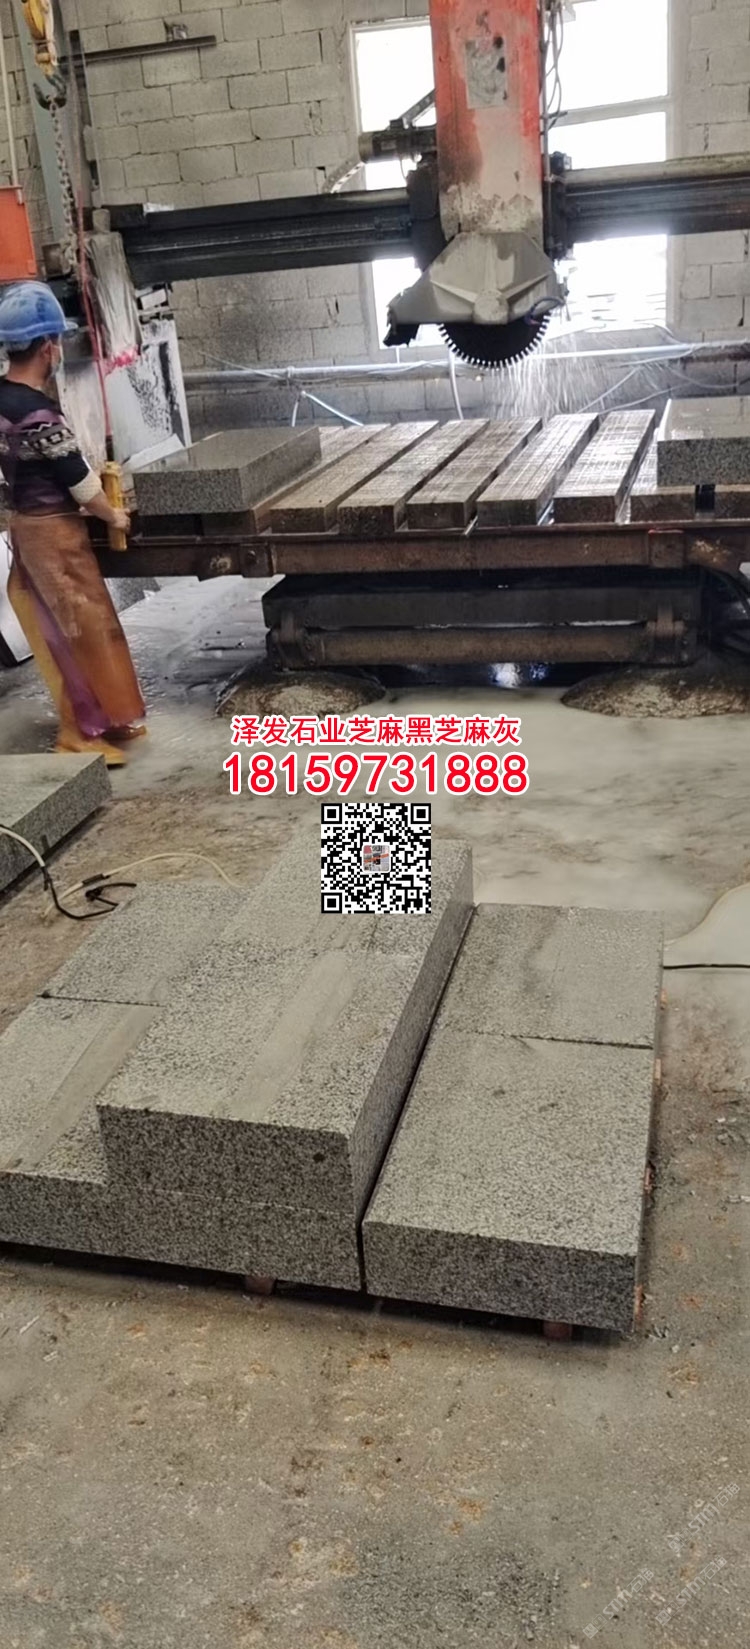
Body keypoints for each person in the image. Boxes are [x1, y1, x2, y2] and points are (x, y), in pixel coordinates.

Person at [0, 280, 145, 768]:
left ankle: (106, 719)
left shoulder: (2, 399)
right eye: (58, 342)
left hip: (28, 527)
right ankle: (76, 734)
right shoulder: (37, 411)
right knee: (71, 634)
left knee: (86, 627)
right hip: (53, 536)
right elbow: (79, 483)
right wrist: (114, 514)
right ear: (47, 346)